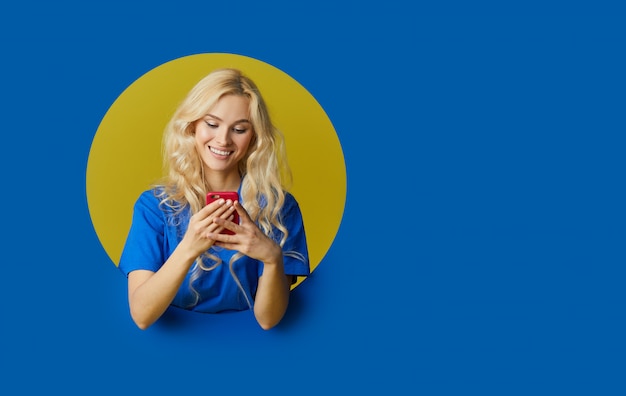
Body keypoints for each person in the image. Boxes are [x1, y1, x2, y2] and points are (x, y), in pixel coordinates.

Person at [118, 68, 310, 330]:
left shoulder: (280, 208)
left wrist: (272, 257)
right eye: (212, 124)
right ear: (192, 126)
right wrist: (189, 247)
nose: (223, 139)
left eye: (239, 129)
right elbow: (141, 315)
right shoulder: (155, 207)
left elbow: (268, 320)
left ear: (254, 137)